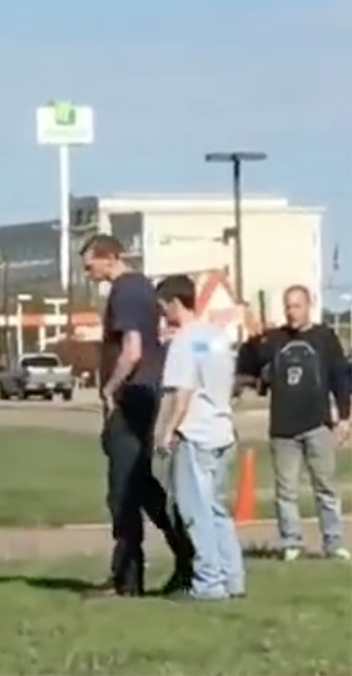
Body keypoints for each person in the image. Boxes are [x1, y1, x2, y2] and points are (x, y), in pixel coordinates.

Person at [80, 235, 194, 597]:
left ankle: (127, 579)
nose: (89, 273)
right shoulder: (143, 288)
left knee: (123, 492)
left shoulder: (126, 291)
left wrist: (110, 388)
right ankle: (188, 556)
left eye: (90, 265)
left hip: (133, 397)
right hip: (147, 394)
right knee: (144, 487)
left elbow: (132, 350)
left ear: (109, 257)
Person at [238, 285, 350, 561]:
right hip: (283, 427)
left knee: (325, 486)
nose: (292, 312)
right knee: (286, 489)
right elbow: (249, 367)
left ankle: (333, 542)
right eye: (288, 306)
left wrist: (345, 417)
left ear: (308, 305)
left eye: (297, 306)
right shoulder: (275, 339)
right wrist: (252, 342)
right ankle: (291, 541)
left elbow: (340, 378)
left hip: (317, 423)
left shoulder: (325, 337)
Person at [152, 274, 245, 600]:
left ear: (175, 303)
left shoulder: (184, 341)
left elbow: (183, 392)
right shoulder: (216, 337)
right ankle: (233, 578)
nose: (163, 315)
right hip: (223, 431)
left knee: (195, 511)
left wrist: (166, 432)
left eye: (164, 308)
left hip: (195, 432)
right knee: (217, 509)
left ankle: (208, 583)